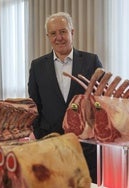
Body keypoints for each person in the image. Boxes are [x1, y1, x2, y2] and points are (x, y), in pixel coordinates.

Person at [28, 12, 103, 183]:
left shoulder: (91, 61)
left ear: (72, 32)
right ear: (48, 36)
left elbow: (101, 101)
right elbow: (34, 103)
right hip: (49, 142)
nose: (59, 37)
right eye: (53, 34)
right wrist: (39, 133)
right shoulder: (37, 66)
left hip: (85, 144)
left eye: (63, 31)